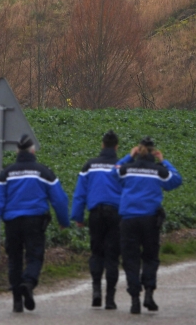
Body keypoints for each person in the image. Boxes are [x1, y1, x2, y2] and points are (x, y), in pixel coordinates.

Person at [0, 134, 70, 314]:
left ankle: (16, 301)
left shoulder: (6, 174)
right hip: (35, 222)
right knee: (34, 256)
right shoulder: (43, 172)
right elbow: (59, 199)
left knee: (14, 259)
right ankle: (28, 283)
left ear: (17, 151)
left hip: (12, 223)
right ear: (33, 150)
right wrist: (63, 221)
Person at [117, 137, 182, 315]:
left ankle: (134, 300)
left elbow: (112, 172)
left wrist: (128, 157)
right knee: (150, 257)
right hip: (150, 220)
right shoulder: (158, 170)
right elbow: (176, 180)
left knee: (131, 259)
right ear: (154, 152)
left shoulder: (126, 169)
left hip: (128, 219)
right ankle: (149, 294)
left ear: (138, 151)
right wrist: (164, 161)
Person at [71, 130, 126, 310]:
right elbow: (129, 193)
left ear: (102, 145)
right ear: (116, 147)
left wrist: (78, 217)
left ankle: (96, 291)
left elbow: (80, 194)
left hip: (95, 214)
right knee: (112, 256)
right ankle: (110, 298)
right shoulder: (121, 167)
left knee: (96, 253)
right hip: (116, 215)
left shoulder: (90, 165)